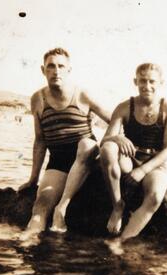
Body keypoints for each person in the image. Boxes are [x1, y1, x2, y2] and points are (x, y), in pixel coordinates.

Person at [19, 47, 110, 240]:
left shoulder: (82, 95)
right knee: (40, 206)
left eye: (61, 66)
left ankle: (63, 208)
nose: (56, 71)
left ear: (69, 70)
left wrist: (112, 143)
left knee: (86, 145)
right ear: (43, 70)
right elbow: (40, 140)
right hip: (59, 162)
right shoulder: (38, 99)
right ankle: (25, 244)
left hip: (87, 159)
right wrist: (33, 180)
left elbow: (115, 120)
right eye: (51, 66)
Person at [100, 63, 167, 254]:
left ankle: (121, 241)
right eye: (142, 80)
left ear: (161, 83)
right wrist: (117, 137)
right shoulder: (125, 107)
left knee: (156, 195)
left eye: (152, 81)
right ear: (135, 81)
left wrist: (142, 170)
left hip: (154, 163)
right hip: (129, 158)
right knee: (109, 149)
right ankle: (118, 206)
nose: (147, 86)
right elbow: (105, 141)